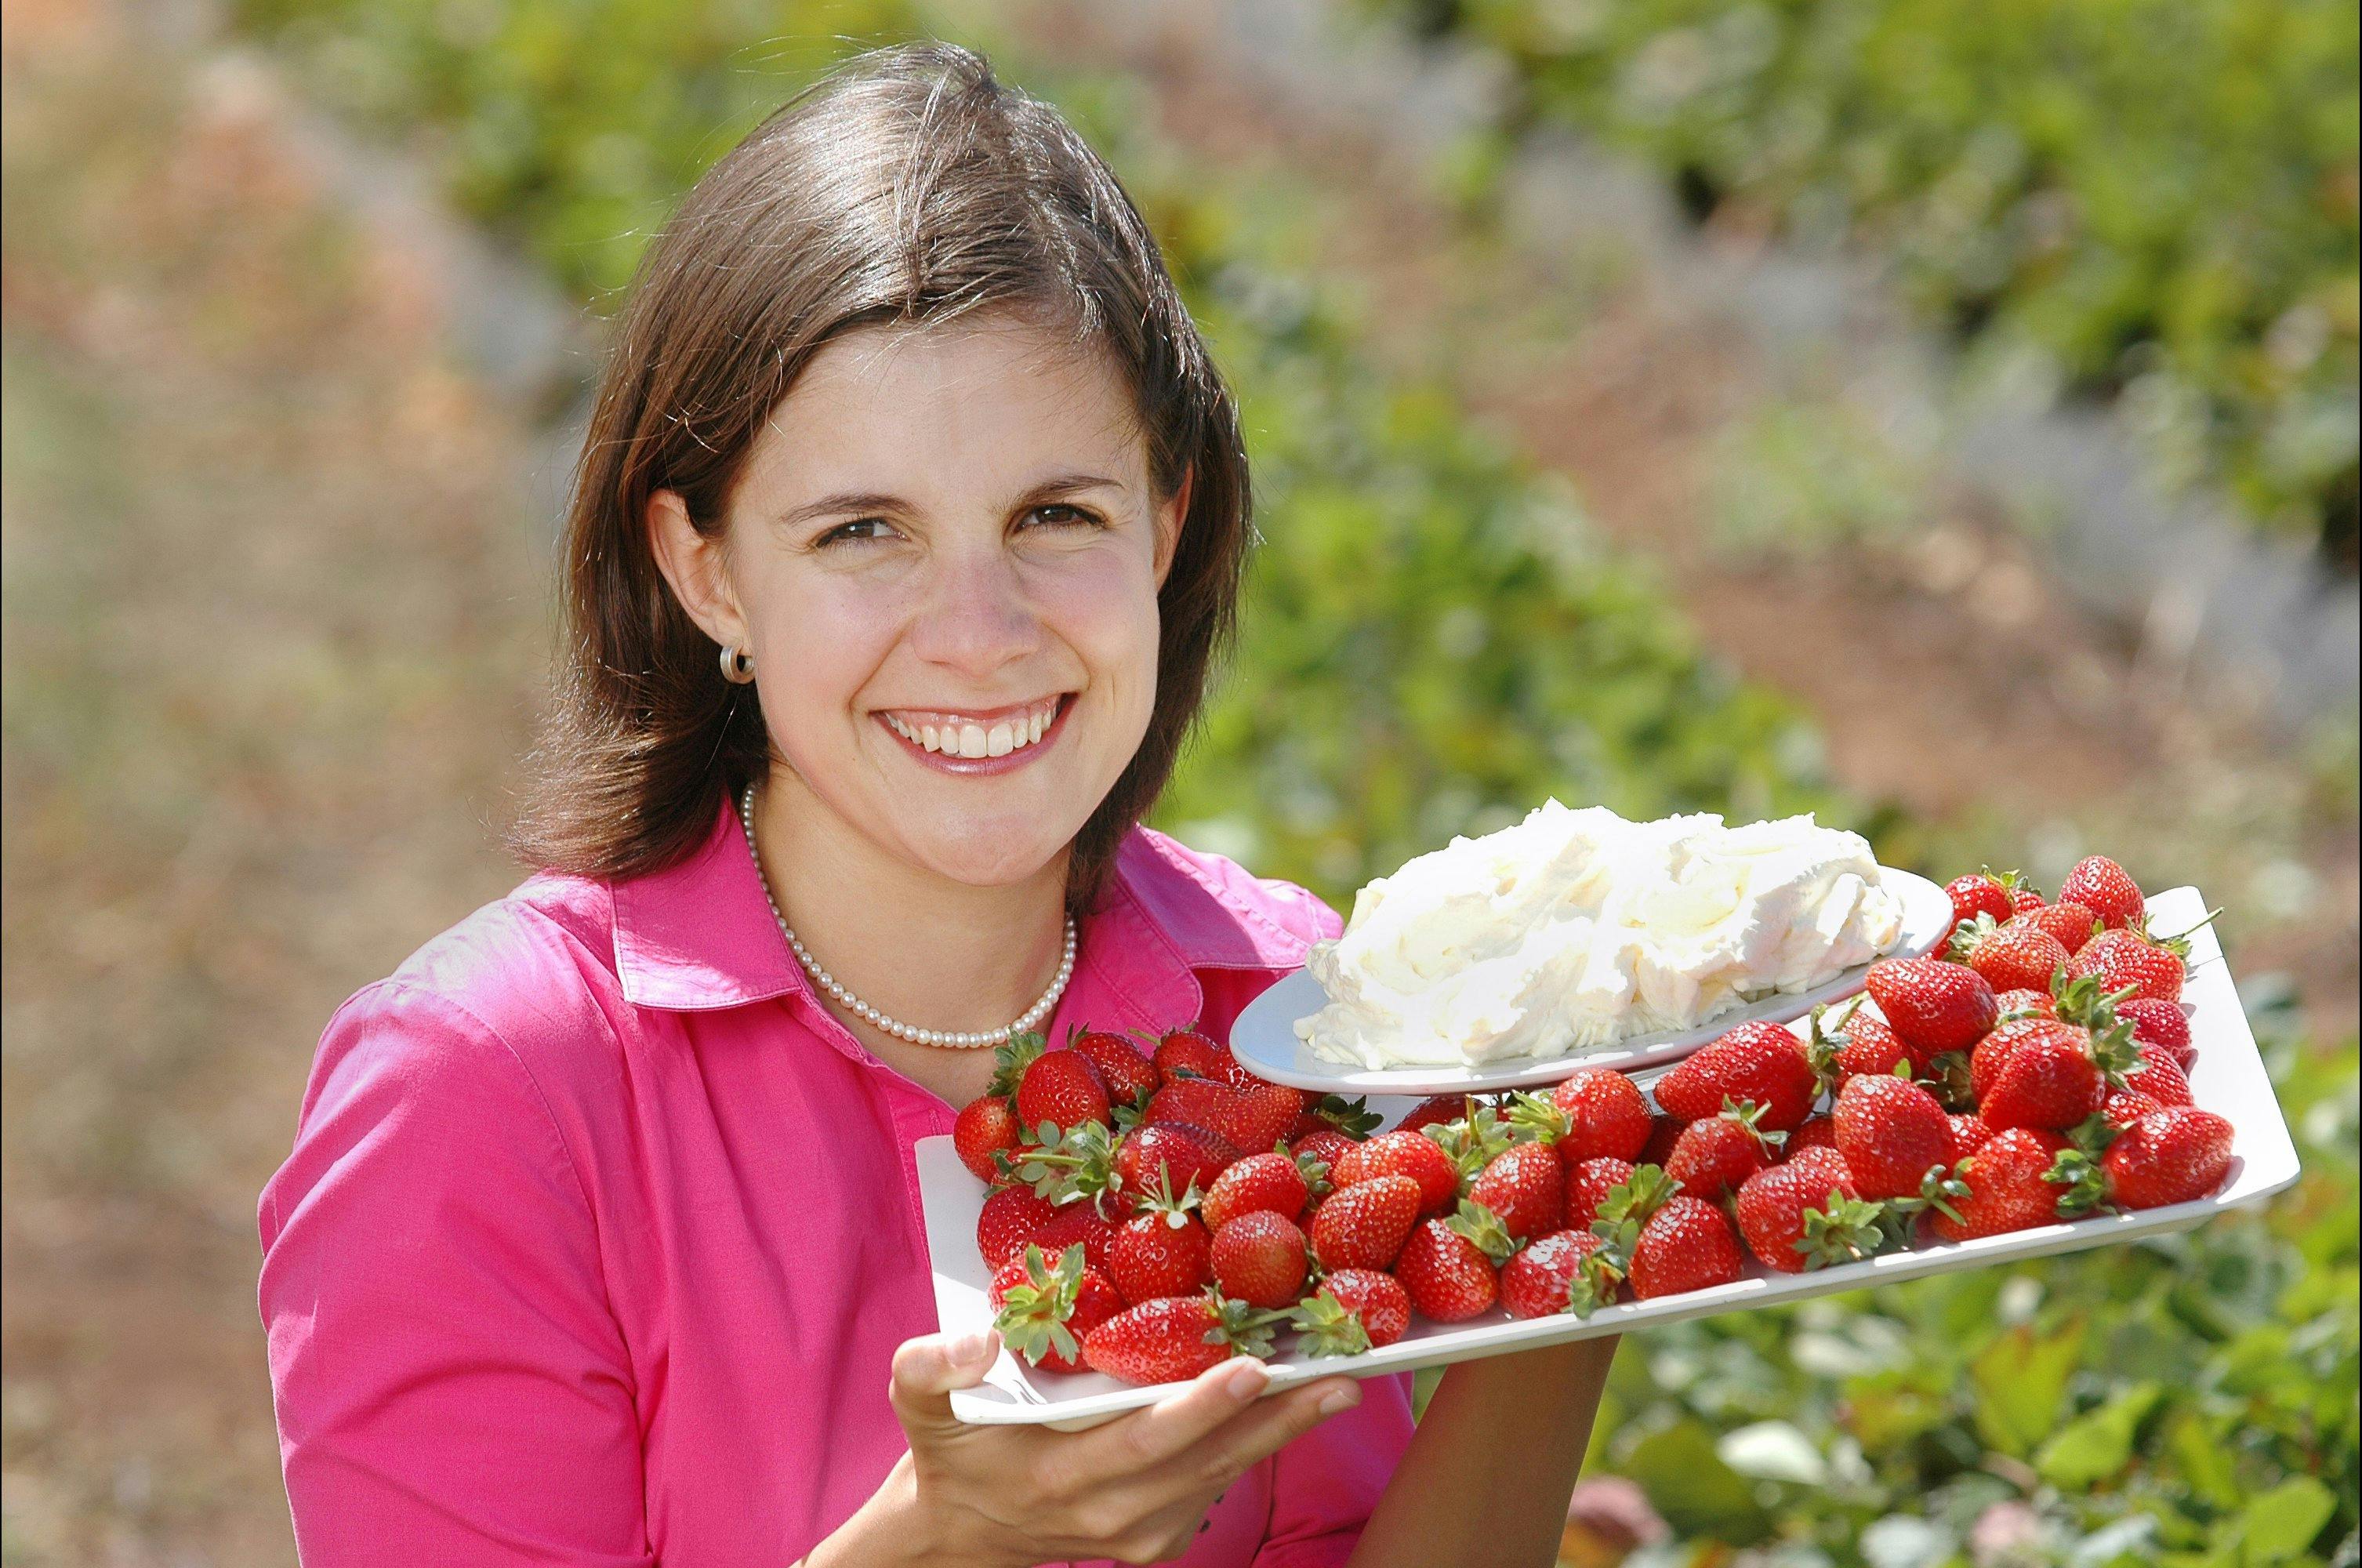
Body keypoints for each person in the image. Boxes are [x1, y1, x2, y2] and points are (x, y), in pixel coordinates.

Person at [256, 40, 1616, 1567]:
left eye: (1055, 515)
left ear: (1164, 529)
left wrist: (1573, 1246)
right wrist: (933, 1545)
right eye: (862, 531)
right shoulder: (488, 1092)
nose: (980, 632)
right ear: (708, 570)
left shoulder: (1288, 1005)